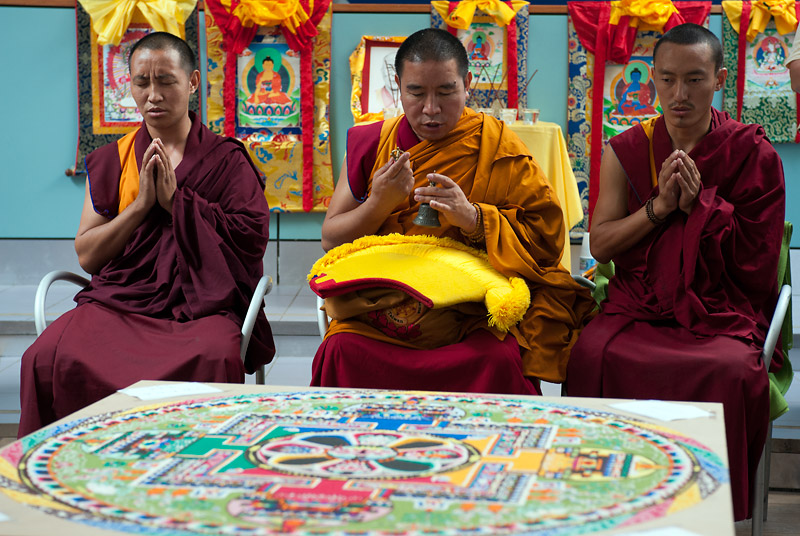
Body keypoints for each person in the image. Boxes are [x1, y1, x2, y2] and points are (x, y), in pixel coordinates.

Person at [566, 24, 786, 521]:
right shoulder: (627, 149)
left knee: (731, 370)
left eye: (694, 79)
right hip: (639, 304)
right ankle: (601, 505)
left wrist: (704, 210)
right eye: (667, 79)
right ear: (652, 81)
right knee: (590, 353)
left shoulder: (753, 154)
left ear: (719, 80)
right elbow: (600, 245)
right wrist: (660, 208)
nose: (679, 94)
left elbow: (757, 266)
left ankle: (706, 512)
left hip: (720, 309)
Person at [312, 28, 595, 396]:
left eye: (446, 92)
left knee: (499, 357)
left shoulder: (497, 146)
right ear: (398, 86)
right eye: (416, 93)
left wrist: (475, 219)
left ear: (467, 84)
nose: (431, 109)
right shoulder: (371, 144)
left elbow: (546, 241)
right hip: (382, 304)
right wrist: (378, 203)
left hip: (472, 310)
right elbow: (331, 239)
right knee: (341, 348)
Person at [18, 32, 275, 437]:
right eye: (141, 82)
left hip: (201, 308)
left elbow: (250, 240)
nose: (153, 95)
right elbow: (88, 255)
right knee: (44, 355)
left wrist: (178, 203)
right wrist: (141, 206)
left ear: (192, 82)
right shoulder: (114, 160)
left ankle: (199, 459)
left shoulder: (226, 161)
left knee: (216, 354)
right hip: (120, 302)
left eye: (166, 81)